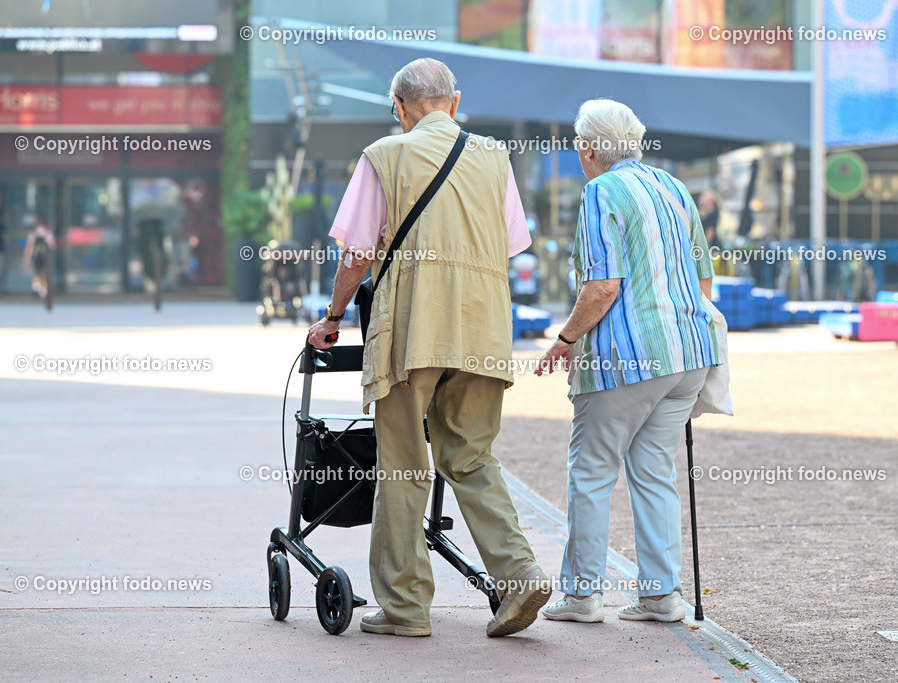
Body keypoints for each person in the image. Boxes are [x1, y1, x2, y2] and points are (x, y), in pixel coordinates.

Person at [308, 58, 550, 638]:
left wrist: (334, 315)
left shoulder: (384, 156)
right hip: (484, 330)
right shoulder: (495, 158)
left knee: (402, 465)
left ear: (398, 107)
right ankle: (519, 574)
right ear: (455, 102)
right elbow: (515, 245)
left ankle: (405, 608)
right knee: (470, 457)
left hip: (413, 331)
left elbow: (357, 253)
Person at [535, 99, 720, 624]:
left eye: (577, 145)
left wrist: (565, 339)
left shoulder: (600, 192)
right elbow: (705, 278)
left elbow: (603, 285)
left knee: (591, 472)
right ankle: (663, 595)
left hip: (624, 358)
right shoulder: (674, 188)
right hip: (687, 354)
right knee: (655, 473)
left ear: (589, 148)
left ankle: (581, 595)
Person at [23, 221, 56, 298]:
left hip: (35, 257)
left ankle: (36, 289)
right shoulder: (47, 233)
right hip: (45, 257)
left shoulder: (33, 233)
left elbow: (29, 247)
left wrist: (26, 259)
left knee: (36, 274)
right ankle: (43, 293)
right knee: (44, 275)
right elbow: (52, 246)